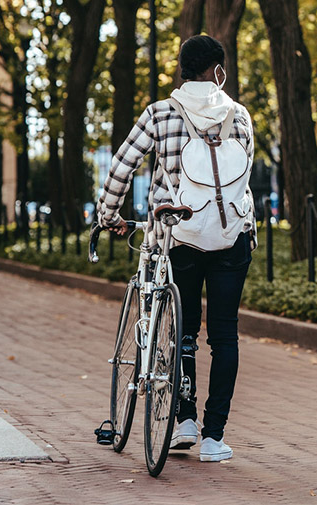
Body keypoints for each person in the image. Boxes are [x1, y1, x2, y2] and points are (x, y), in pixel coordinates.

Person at [97, 35, 255, 463]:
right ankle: (213, 437)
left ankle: (183, 421)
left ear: (182, 68)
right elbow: (243, 183)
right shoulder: (239, 116)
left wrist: (108, 215)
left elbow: (121, 167)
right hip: (230, 238)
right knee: (224, 336)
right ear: (218, 70)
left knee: (182, 331)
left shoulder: (160, 113)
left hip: (176, 236)